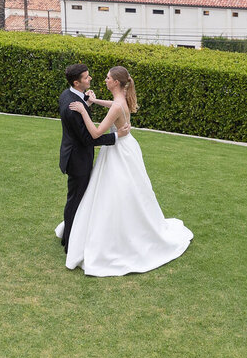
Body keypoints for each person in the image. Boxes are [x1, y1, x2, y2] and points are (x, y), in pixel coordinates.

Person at [58, 65, 193, 276]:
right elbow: (113, 105)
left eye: (108, 78)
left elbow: (94, 134)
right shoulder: (122, 100)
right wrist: (92, 101)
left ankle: (118, 236)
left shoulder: (117, 106)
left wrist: (84, 110)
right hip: (127, 147)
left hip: (119, 148)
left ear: (116, 83)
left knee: (116, 193)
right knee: (128, 191)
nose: (104, 80)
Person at [58, 63, 126, 251]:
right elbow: (89, 138)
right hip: (77, 160)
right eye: (86, 77)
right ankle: (70, 243)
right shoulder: (73, 107)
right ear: (76, 82)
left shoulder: (70, 95)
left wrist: (87, 105)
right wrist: (115, 136)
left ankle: (69, 236)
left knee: (76, 199)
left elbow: (80, 124)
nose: (90, 79)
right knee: (76, 200)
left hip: (74, 154)